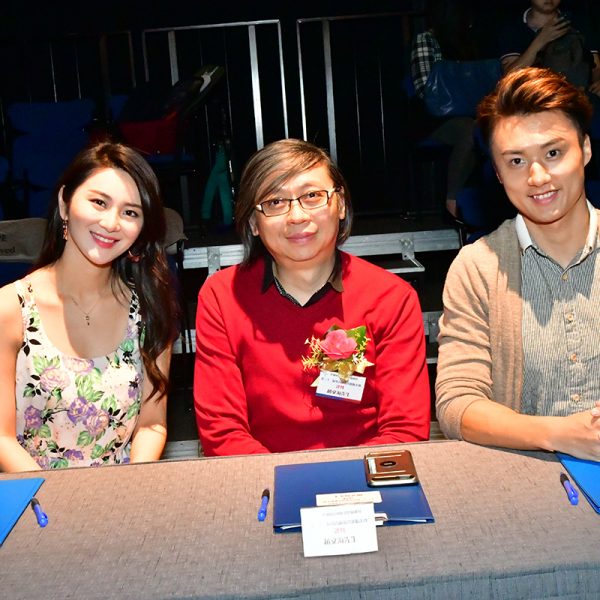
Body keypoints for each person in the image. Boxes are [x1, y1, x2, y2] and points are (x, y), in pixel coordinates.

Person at [194, 138, 430, 456]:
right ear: (253, 222)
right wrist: (281, 479)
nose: (297, 216)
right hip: (260, 475)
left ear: (340, 205)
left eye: (312, 196)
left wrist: (342, 479)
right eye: (275, 201)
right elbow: (222, 431)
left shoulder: (391, 298)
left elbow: (404, 429)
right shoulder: (223, 296)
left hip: (361, 475)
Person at [436, 67, 600, 460]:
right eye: (515, 161)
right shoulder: (479, 267)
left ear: (585, 149)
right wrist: (561, 434)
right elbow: (457, 404)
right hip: (528, 477)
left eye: (553, 153)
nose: (537, 177)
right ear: (497, 172)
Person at [0, 142, 179, 472]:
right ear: (64, 203)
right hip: (35, 494)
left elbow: (152, 423)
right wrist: (56, 498)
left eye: (130, 212)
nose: (111, 223)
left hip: (123, 491)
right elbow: (2, 438)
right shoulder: (10, 308)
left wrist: (133, 482)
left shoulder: (150, 311)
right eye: (99, 202)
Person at [409, 0, 481, 219]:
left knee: (491, 127)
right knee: (469, 130)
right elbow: (424, 89)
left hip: (471, 112)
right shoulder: (427, 40)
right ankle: (453, 201)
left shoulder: (469, 43)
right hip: (434, 117)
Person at [498, 0, 600, 95]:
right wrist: (541, 39)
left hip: (575, 95)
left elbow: (596, 67)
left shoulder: (577, 22)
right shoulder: (513, 28)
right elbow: (510, 76)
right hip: (533, 97)